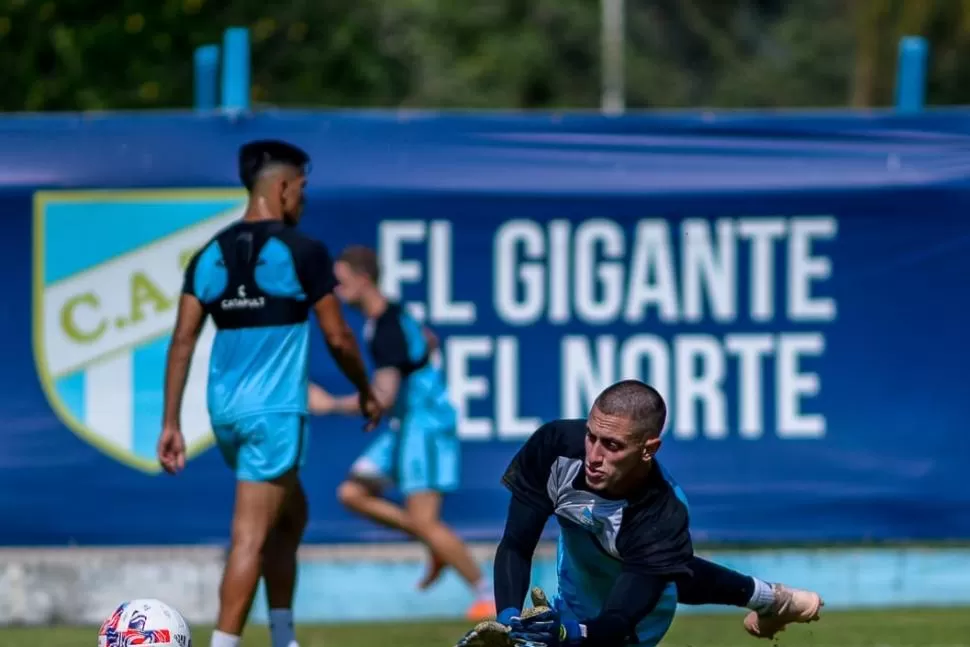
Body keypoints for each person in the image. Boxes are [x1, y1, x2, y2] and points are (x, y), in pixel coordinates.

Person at [156, 140, 384, 647]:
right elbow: (339, 336)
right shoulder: (301, 250)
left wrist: (171, 421)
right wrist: (365, 390)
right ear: (282, 188)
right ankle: (226, 642)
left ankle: (283, 637)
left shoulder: (209, 254)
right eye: (302, 189)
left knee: (291, 514)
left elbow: (182, 340)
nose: (303, 200)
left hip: (227, 414)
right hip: (273, 412)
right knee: (251, 536)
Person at [464, 379, 820, 647]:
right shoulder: (555, 448)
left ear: (649, 449)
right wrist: (508, 624)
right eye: (591, 436)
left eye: (613, 446)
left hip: (633, 623)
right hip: (574, 590)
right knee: (662, 562)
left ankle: (774, 598)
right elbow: (515, 545)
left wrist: (561, 633)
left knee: (670, 568)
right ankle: (773, 599)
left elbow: (617, 621)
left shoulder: (662, 515)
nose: (594, 456)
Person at [307, 245, 495, 621]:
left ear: (363, 280)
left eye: (341, 283)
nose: (336, 292)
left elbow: (384, 398)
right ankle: (436, 542)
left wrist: (330, 405)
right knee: (352, 493)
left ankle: (487, 594)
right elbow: (428, 341)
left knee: (426, 520)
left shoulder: (386, 329)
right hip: (408, 425)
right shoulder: (390, 315)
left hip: (423, 426)